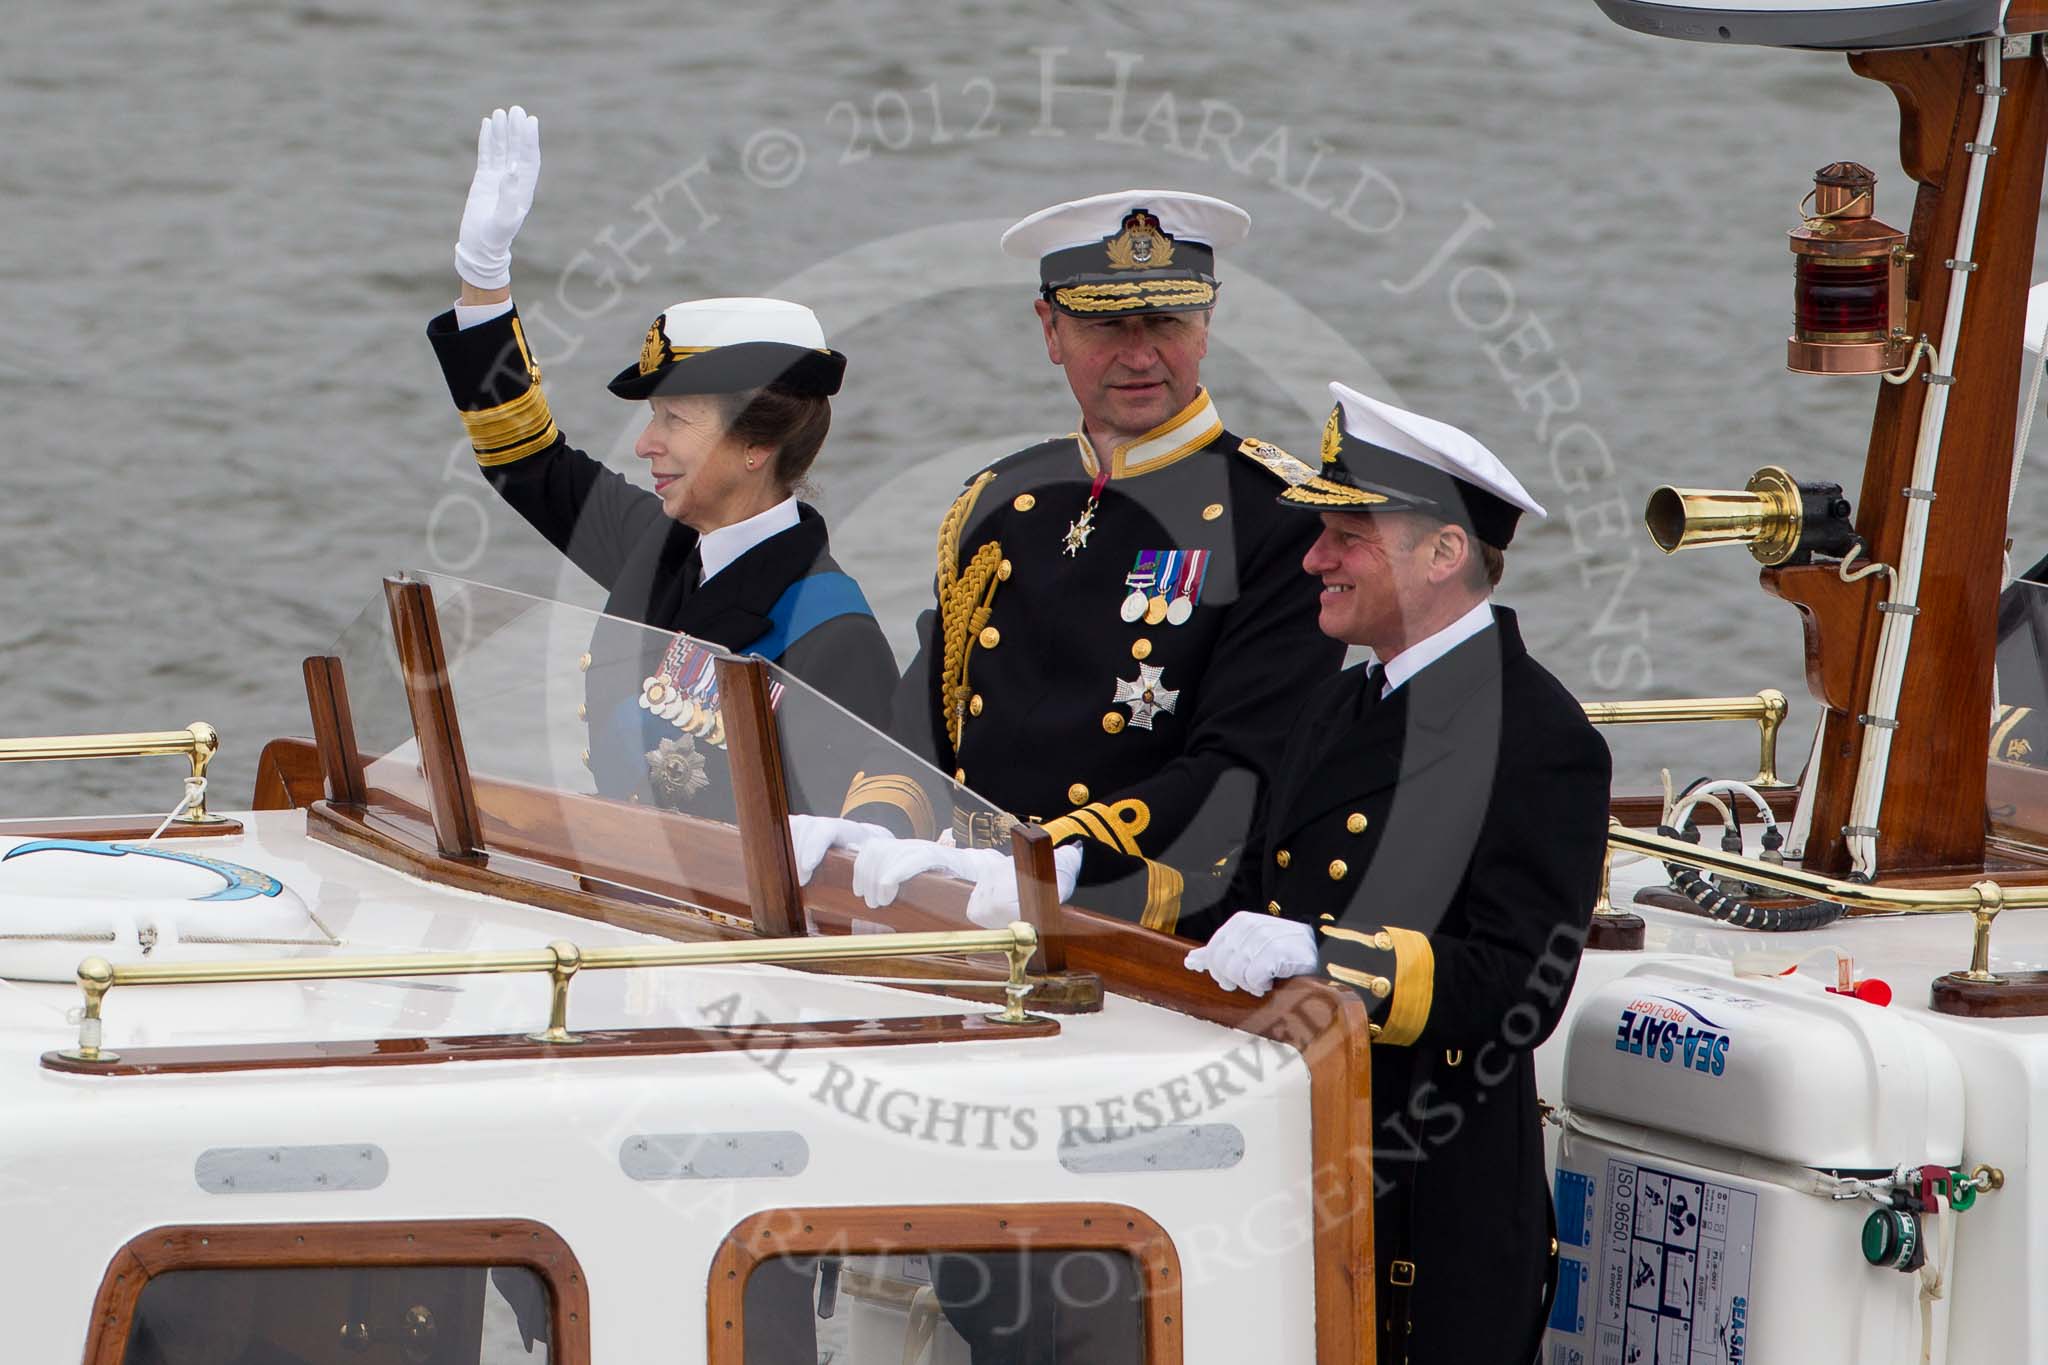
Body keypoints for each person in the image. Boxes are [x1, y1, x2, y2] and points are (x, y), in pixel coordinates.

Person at [1183, 383, 1611, 1364]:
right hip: (1295, 1161)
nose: (1312, 560)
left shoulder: (1536, 737)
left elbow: (1518, 988)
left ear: (1444, 552)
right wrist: (1055, 897)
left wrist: (1327, 958)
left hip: (1427, 1201)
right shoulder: (1338, 706)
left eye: (1346, 535)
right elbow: (1245, 900)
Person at [827, 190, 1346, 931]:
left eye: (1165, 322)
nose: (1139, 355)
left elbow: (1242, 769)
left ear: (1206, 324)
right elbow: (930, 712)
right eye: (1105, 324)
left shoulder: (1276, 517)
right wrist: (870, 824)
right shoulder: (1000, 501)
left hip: (1147, 921)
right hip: (973, 901)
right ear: (1051, 329)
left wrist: (1054, 855)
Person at [426, 107, 897, 814]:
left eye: (673, 419)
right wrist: (483, 281)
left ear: (755, 443)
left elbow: (843, 864)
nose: (647, 444)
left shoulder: (833, 632)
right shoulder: (661, 549)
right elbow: (528, 462)